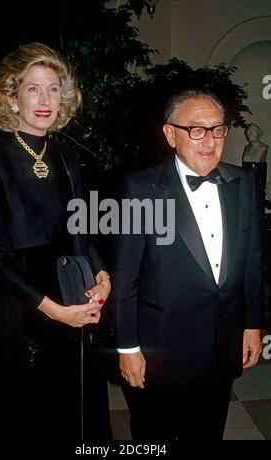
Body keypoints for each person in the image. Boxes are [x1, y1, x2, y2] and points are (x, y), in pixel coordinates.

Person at [0, 42, 112, 441]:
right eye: (33, 88)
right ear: (11, 97)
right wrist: (50, 310)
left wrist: (102, 273)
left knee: (76, 415)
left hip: (70, 295)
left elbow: (83, 226)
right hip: (21, 307)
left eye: (53, 88)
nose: (45, 99)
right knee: (29, 417)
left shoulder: (65, 155)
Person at [112, 88, 263, 440]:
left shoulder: (243, 183)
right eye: (196, 129)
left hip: (222, 347)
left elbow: (253, 260)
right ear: (170, 134)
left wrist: (253, 323)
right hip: (160, 352)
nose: (209, 140)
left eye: (217, 129)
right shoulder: (140, 189)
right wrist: (128, 348)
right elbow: (126, 278)